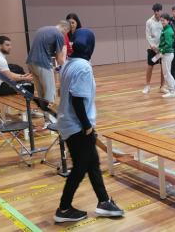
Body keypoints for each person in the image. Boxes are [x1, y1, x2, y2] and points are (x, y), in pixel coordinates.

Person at [54, 28, 124, 223]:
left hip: (69, 123)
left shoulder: (69, 63)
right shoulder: (83, 67)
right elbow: (77, 99)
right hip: (77, 126)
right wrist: (87, 127)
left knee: (93, 163)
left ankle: (103, 202)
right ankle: (64, 209)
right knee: (81, 167)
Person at [26, 21, 68, 108]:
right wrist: (67, 67)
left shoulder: (42, 29)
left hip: (31, 63)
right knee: (50, 92)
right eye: (66, 32)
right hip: (42, 64)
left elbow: (44, 48)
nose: (65, 35)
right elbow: (59, 58)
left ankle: (44, 115)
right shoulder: (59, 35)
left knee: (41, 92)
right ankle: (49, 119)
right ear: (65, 29)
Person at [142, 3, 165, 94]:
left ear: (160, 11)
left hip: (162, 49)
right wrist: (152, 46)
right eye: (155, 11)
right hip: (153, 49)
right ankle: (147, 85)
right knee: (150, 66)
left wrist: (162, 47)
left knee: (163, 67)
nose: (157, 13)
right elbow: (148, 35)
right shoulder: (149, 22)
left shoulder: (163, 20)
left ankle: (162, 86)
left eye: (158, 11)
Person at [159, 13, 175, 98]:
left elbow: (168, 44)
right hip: (167, 54)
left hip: (167, 54)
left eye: (163, 20)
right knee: (168, 73)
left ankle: (172, 91)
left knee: (166, 74)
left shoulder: (168, 30)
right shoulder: (166, 29)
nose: (162, 22)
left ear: (168, 21)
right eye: (161, 20)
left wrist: (160, 50)